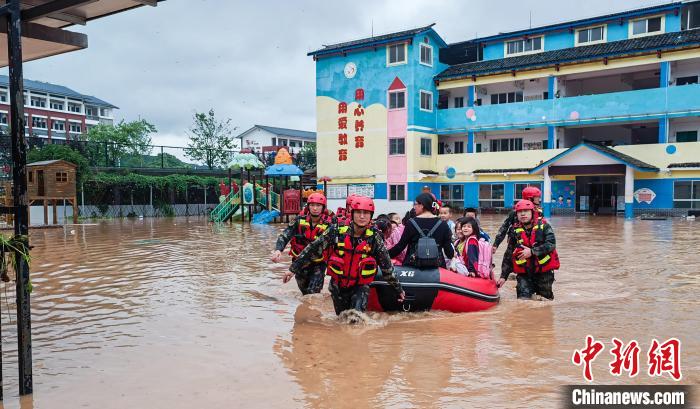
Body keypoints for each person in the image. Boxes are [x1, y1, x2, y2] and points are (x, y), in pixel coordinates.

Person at [284, 196, 405, 315]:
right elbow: (312, 248)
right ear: (352, 214)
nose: (362, 216)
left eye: (366, 213)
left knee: (355, 319)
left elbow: (386, 266)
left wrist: (398, 289)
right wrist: (292, 269)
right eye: (358, 212)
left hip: (360, 286)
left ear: (371, 215)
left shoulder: (375, 238)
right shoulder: (336, 231)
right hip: (338, 286)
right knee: (341, 319)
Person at [271, 192, 333, 295]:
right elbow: (285, 235)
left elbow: (315, 249)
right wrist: (278, 250)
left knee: (313, 293)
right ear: (308, 206)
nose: (315, 208)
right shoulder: (299, 221)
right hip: (299, 262)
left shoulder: (329, 225)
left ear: (323, 208)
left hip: (318, 263)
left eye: (318, 205)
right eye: (312, 205)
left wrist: (292, 269)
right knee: (304, 293)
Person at [497, 200, 559, 300]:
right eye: (519, 212)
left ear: (532, 212)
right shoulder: (514, 230)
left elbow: (551, 244)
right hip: (524, 273)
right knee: (523, 300)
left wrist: (532, 252)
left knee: (545, 301)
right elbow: (509, 254)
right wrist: (503, 276)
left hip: (543, 273)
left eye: (526, 211)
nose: (522, 214)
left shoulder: (544, 227)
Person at [389, 193, 455, 268]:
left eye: (415, 204)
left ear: (422, 205)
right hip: (437, 268)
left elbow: (400, 246)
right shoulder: (443, 224)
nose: (414, 207)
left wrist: (384, 256)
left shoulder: (411, 223)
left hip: (413, 267)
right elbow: (449, 252)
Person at [492, 186, 542, 282]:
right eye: (536, 198)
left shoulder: (539, 213)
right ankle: (507, 276)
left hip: (532, 243)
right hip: (516, 241)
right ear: (529, 198)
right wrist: (496, 244)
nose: (539, 200)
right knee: (509, 258)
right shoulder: (515, 212)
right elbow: (504, 228)